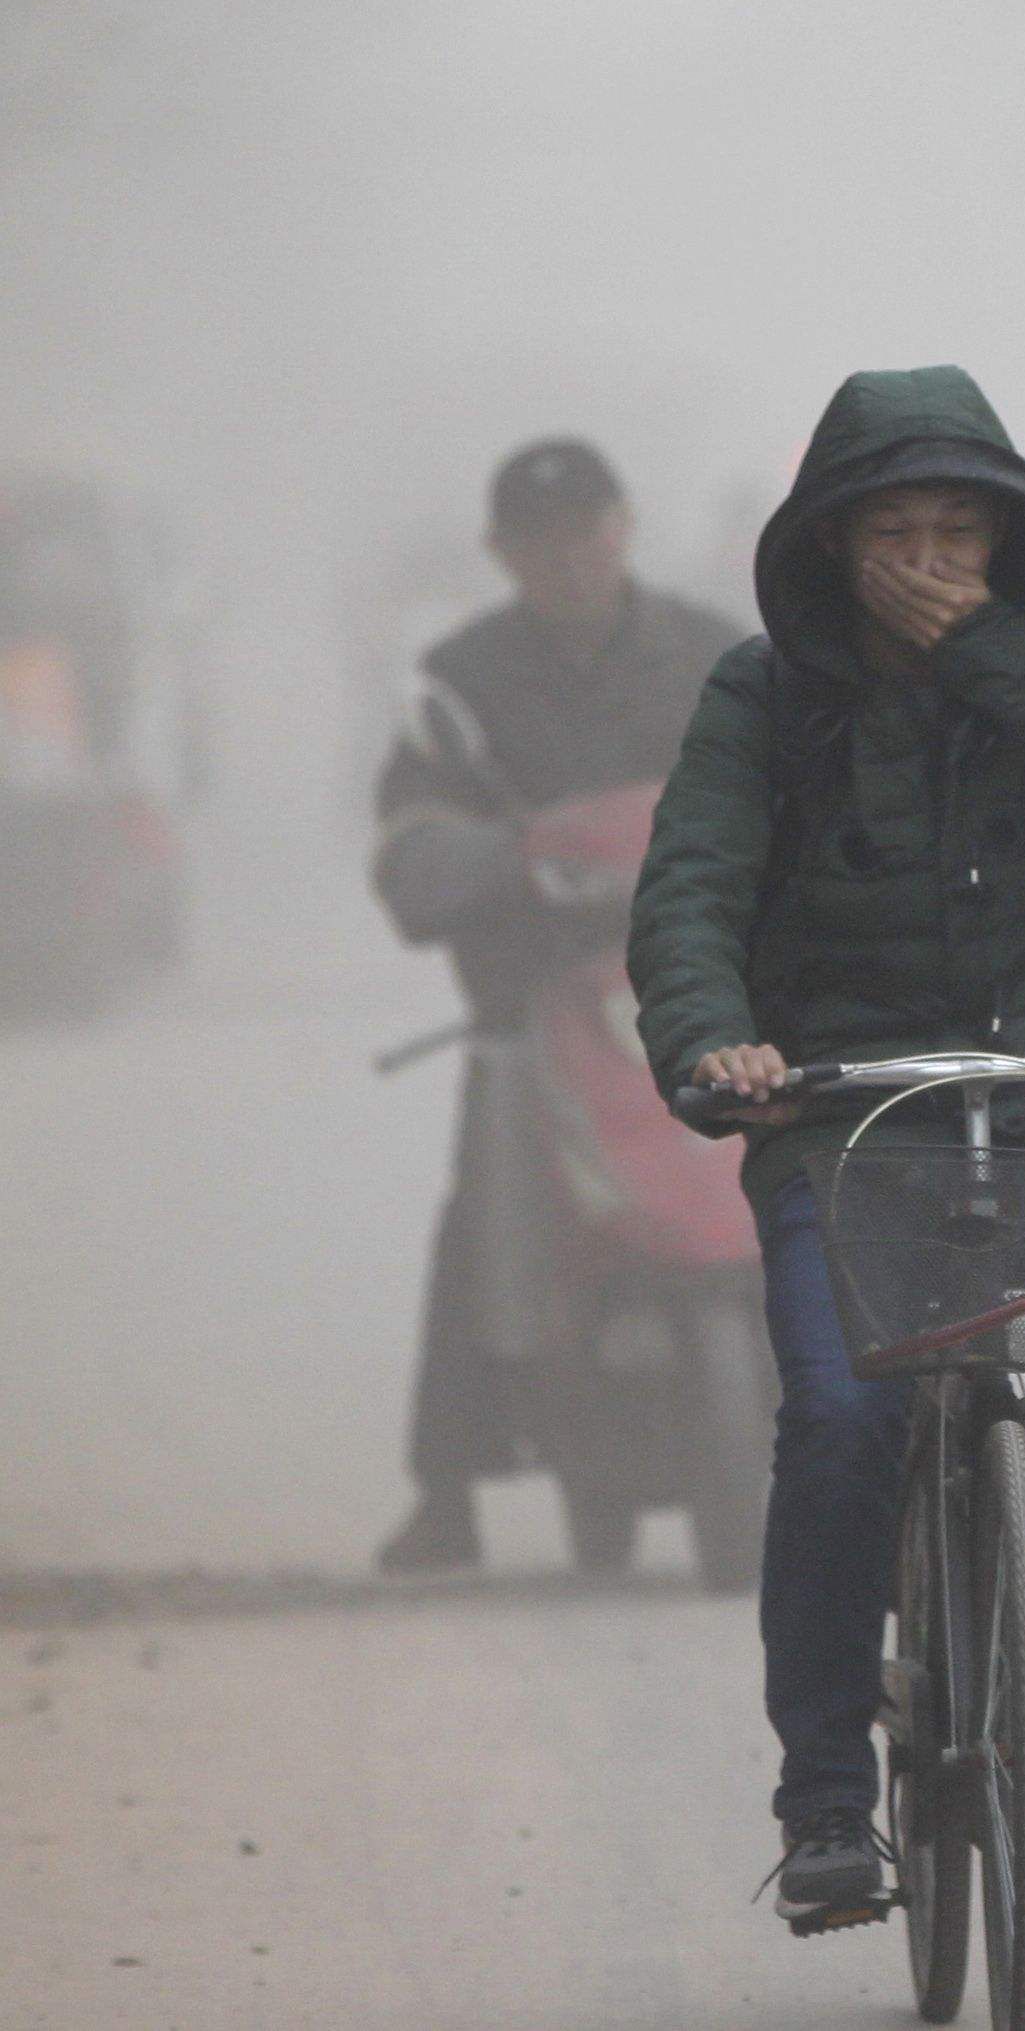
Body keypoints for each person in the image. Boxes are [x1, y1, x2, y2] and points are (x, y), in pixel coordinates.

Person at [626, 366, 1025, 1923]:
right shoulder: (761, 692)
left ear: (1010, 542)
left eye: (963, 529)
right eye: (897, 530)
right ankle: (825, 1794)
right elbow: (689, 889)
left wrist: (999, 656)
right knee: (838, 1420)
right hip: (834, 1099)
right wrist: (710, 1040)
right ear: (831, 545)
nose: (931, 559)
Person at [370, 437, 744, 1576]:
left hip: (723, 984)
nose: (569, 557)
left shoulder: (720, 655)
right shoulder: (457, 686)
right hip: (537, 1003)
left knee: (843, 1164)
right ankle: (447, 1486)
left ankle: (891, 1436)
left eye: (587, 530)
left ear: (624, 526)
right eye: (540, 541)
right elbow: (410, 851)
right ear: (501, 553)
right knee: (487, 1203)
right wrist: (513, 854)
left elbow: (824, 787)